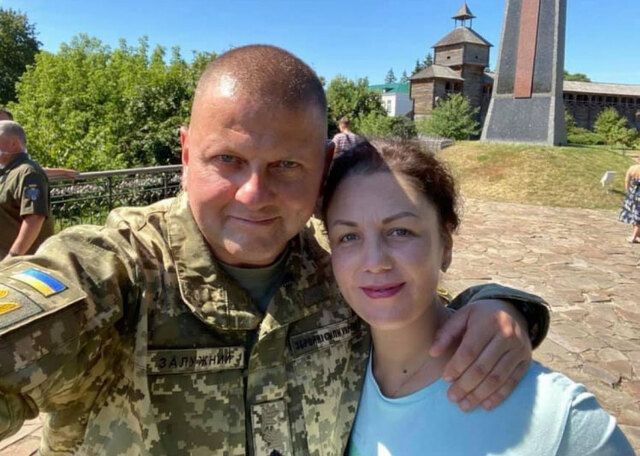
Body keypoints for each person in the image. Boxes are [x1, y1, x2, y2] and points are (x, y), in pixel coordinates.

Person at [0, 45, 548, 455]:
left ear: (323, 169)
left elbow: (424, 311)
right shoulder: (116, 274)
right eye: (228, 160)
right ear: (186, 153)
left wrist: (501, 307)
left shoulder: (335, 278)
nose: (253, 194)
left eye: (286, 165)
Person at [322, 140, 634, 455]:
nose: (375, 261)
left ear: (446, 244)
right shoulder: (328, 375)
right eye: (349, 237)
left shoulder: (560, 420)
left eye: (400, 231)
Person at [0, 121, 54, 260]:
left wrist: (12, 257)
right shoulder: (9, 171)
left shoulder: (28, 173)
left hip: (23, 263)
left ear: (13, 143)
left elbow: (34, 218)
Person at [0, 107, 78, 180]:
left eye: (4, 122)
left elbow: (31, 169)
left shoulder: (17, 149)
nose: (2, 125)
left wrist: (64, 172)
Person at [619, 157, 640, 243]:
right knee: (638, 216)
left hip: (633, 193)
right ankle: (634, 236)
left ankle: (637, 235)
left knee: (634, 215)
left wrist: (628, 191)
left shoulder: (632, 168)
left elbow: (627, 180)